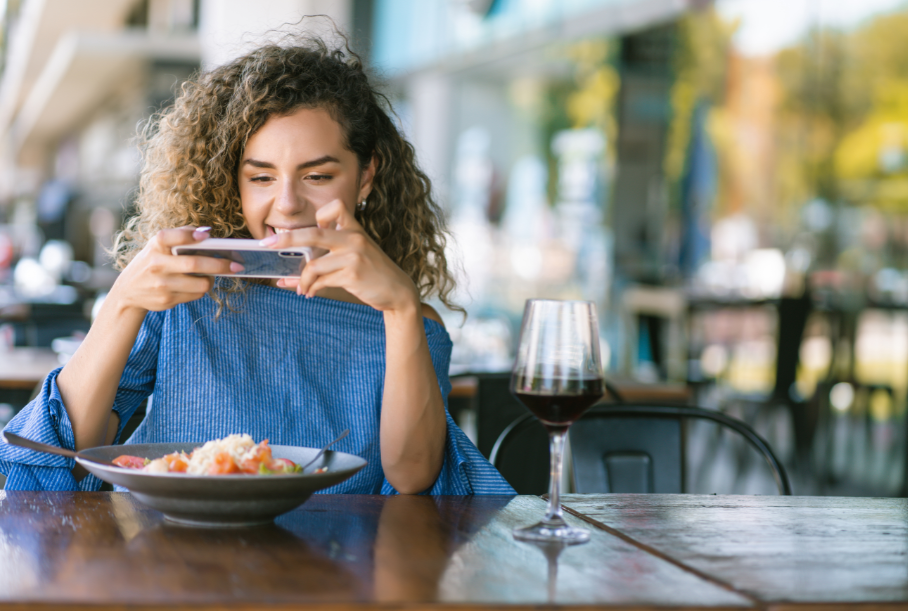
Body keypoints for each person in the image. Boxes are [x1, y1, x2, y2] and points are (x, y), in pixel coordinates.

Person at [0, 34, 515, 495]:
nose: (287, 204)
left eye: (317, 176)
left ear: (365, 177)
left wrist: (401, 305)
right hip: (173, 568)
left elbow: (413, 475)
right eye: (262, 178)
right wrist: (123, 301)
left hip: (333, 579)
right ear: (235, 183)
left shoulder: (409, 322)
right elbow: (59, 453)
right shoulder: (186, 296)